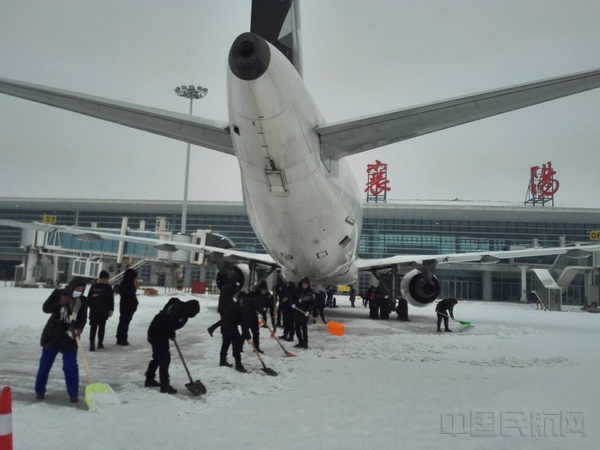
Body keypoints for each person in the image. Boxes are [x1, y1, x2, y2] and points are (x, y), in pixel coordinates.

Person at [35, 277, 88, 403]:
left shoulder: (83, 301)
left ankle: (73, 394)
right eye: (77, 289)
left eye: (81, 290)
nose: (79, 292)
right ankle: (39, 391)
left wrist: (79, 329)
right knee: (45, 365)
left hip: (70, 336)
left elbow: (83, 317)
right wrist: (60, 303)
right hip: (52, 334)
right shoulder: (58, 294)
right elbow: (45, 308)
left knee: (70, 367)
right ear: (71, 287)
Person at [144, 297, 200, 394]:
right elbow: (167, 324)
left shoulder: (180, 307)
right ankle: (164, 385)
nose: (192, 316)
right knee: (164, 358)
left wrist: (171, 331)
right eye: (193, 314)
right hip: (157, 334)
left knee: (158, 357)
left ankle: (149, 379)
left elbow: (173, 299)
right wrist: (171, 332)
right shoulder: (177, 313)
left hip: (158, 332)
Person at [219, 291, 263, 373]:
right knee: (236, 342)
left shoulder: (247, 301)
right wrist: (249, 337)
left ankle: (222, 360)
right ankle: (238, 364)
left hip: (226, 321)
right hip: (229, 323)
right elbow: (244, 325)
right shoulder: (246, 308)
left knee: (226, 341)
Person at [87, 270, 114, 351]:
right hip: (103, 311)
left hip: (94, 311)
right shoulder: (108, 287)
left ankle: (92, 344)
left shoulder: (93, 286)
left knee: (93, 328)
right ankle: (100, 343)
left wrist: (91, 307)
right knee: (101, 327)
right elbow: (110, 300)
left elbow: (89, 298)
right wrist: (110, 309)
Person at [116, 268, 139, 345]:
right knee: (125, 322)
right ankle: (123, 338)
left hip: (123, 304)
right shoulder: (130, 285)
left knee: (122, 321)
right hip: (128, 305)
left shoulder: (123, 283)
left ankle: (120, 337)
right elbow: (131, 296)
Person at [292, 277, 315, 349]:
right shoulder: (296, 290)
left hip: (305, 313)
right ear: (301, 284)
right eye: (304, 284)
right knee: (297, 327)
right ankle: (300, 342)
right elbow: (291, 297)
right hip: (297, 311)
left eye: (306, 284)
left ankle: (305, 343)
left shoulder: (310, 292)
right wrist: (292, 303)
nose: (305, 286)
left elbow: (312, 303)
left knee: (304, 327)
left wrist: (309, 311)